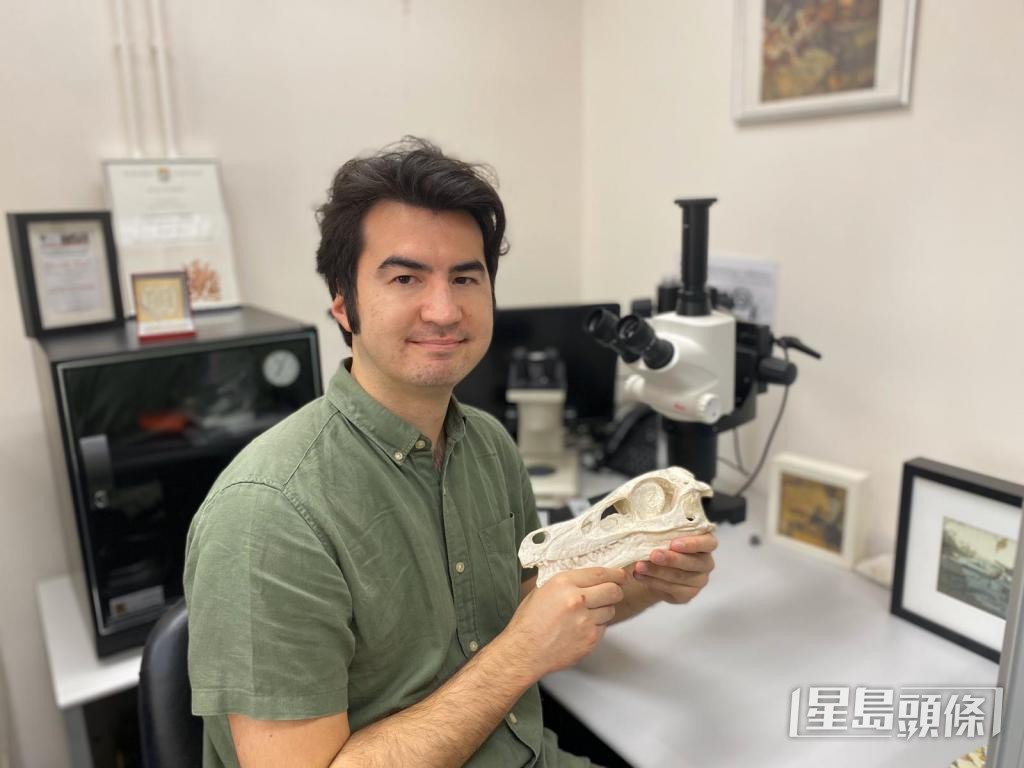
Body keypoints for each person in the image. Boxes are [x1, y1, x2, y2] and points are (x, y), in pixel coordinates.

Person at [183, 137, 718, 768]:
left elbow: (534, 607)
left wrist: (649, 581)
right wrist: (518, 656)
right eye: (405, 278)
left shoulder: (487, 446)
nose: (443, 310)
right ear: (343, 305)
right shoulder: (267, 516)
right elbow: (523, 643)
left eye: (465, 277)